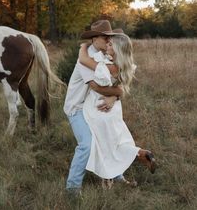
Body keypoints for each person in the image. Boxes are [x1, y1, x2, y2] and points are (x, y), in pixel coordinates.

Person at [78, 33, 156, 187]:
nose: (107, 45)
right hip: (114, 108)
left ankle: (107, 179)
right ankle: (140, 153)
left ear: (118, 49)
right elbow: (121, 89)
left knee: (102, 145)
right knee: (115, 141)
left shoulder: (107, 66)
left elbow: (83, 60)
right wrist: (114, 97)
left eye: (110, 45)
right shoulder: (125, 66)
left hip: (98, 107)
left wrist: (84, 46)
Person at [64, 20, 124, 193]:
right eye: (105, 37)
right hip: (77, 108)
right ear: (94, 39)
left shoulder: (106, 56)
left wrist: (113, 97)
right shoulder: (86, 59)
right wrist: (115, 94)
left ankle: (116, 175)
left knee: (112, 135)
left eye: (110, 37)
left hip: (94, 107)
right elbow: (97, 87)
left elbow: (120, 84)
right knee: (87, 145)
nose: (108, 41)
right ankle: (72, 188)